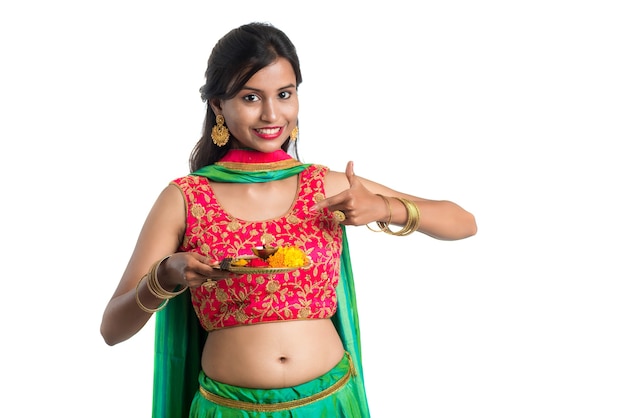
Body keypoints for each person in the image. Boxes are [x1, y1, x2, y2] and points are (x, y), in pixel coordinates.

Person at [100, 22, 477, 418]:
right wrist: (164, 277)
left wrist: (386, 208)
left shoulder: (325, 185)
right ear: (217, 106)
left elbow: (463, 222)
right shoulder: (185, 198)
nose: (271, 114)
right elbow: (113, 329)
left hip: (329, 402)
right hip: (229, 410)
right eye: (250, 97)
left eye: (285, 94)